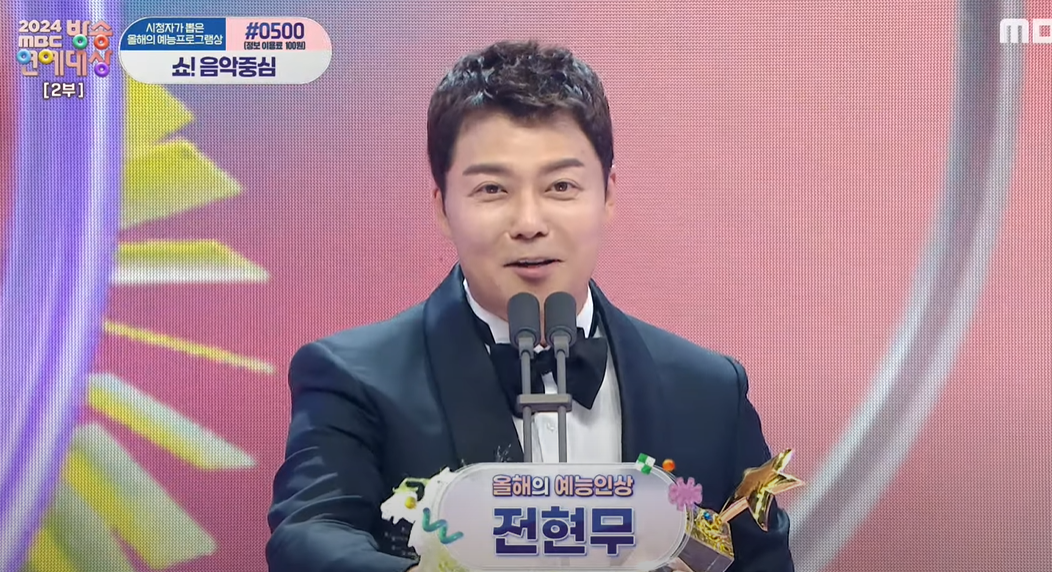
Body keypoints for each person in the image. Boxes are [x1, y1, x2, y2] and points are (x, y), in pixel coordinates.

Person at [266, 40, 794, 572]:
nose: (528, 222)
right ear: (443, 207)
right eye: (492, 189)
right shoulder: (354, 377)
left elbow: (760, 558)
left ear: (608, 194)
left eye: (560, 186)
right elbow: (308, 538)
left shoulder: (710, 390)